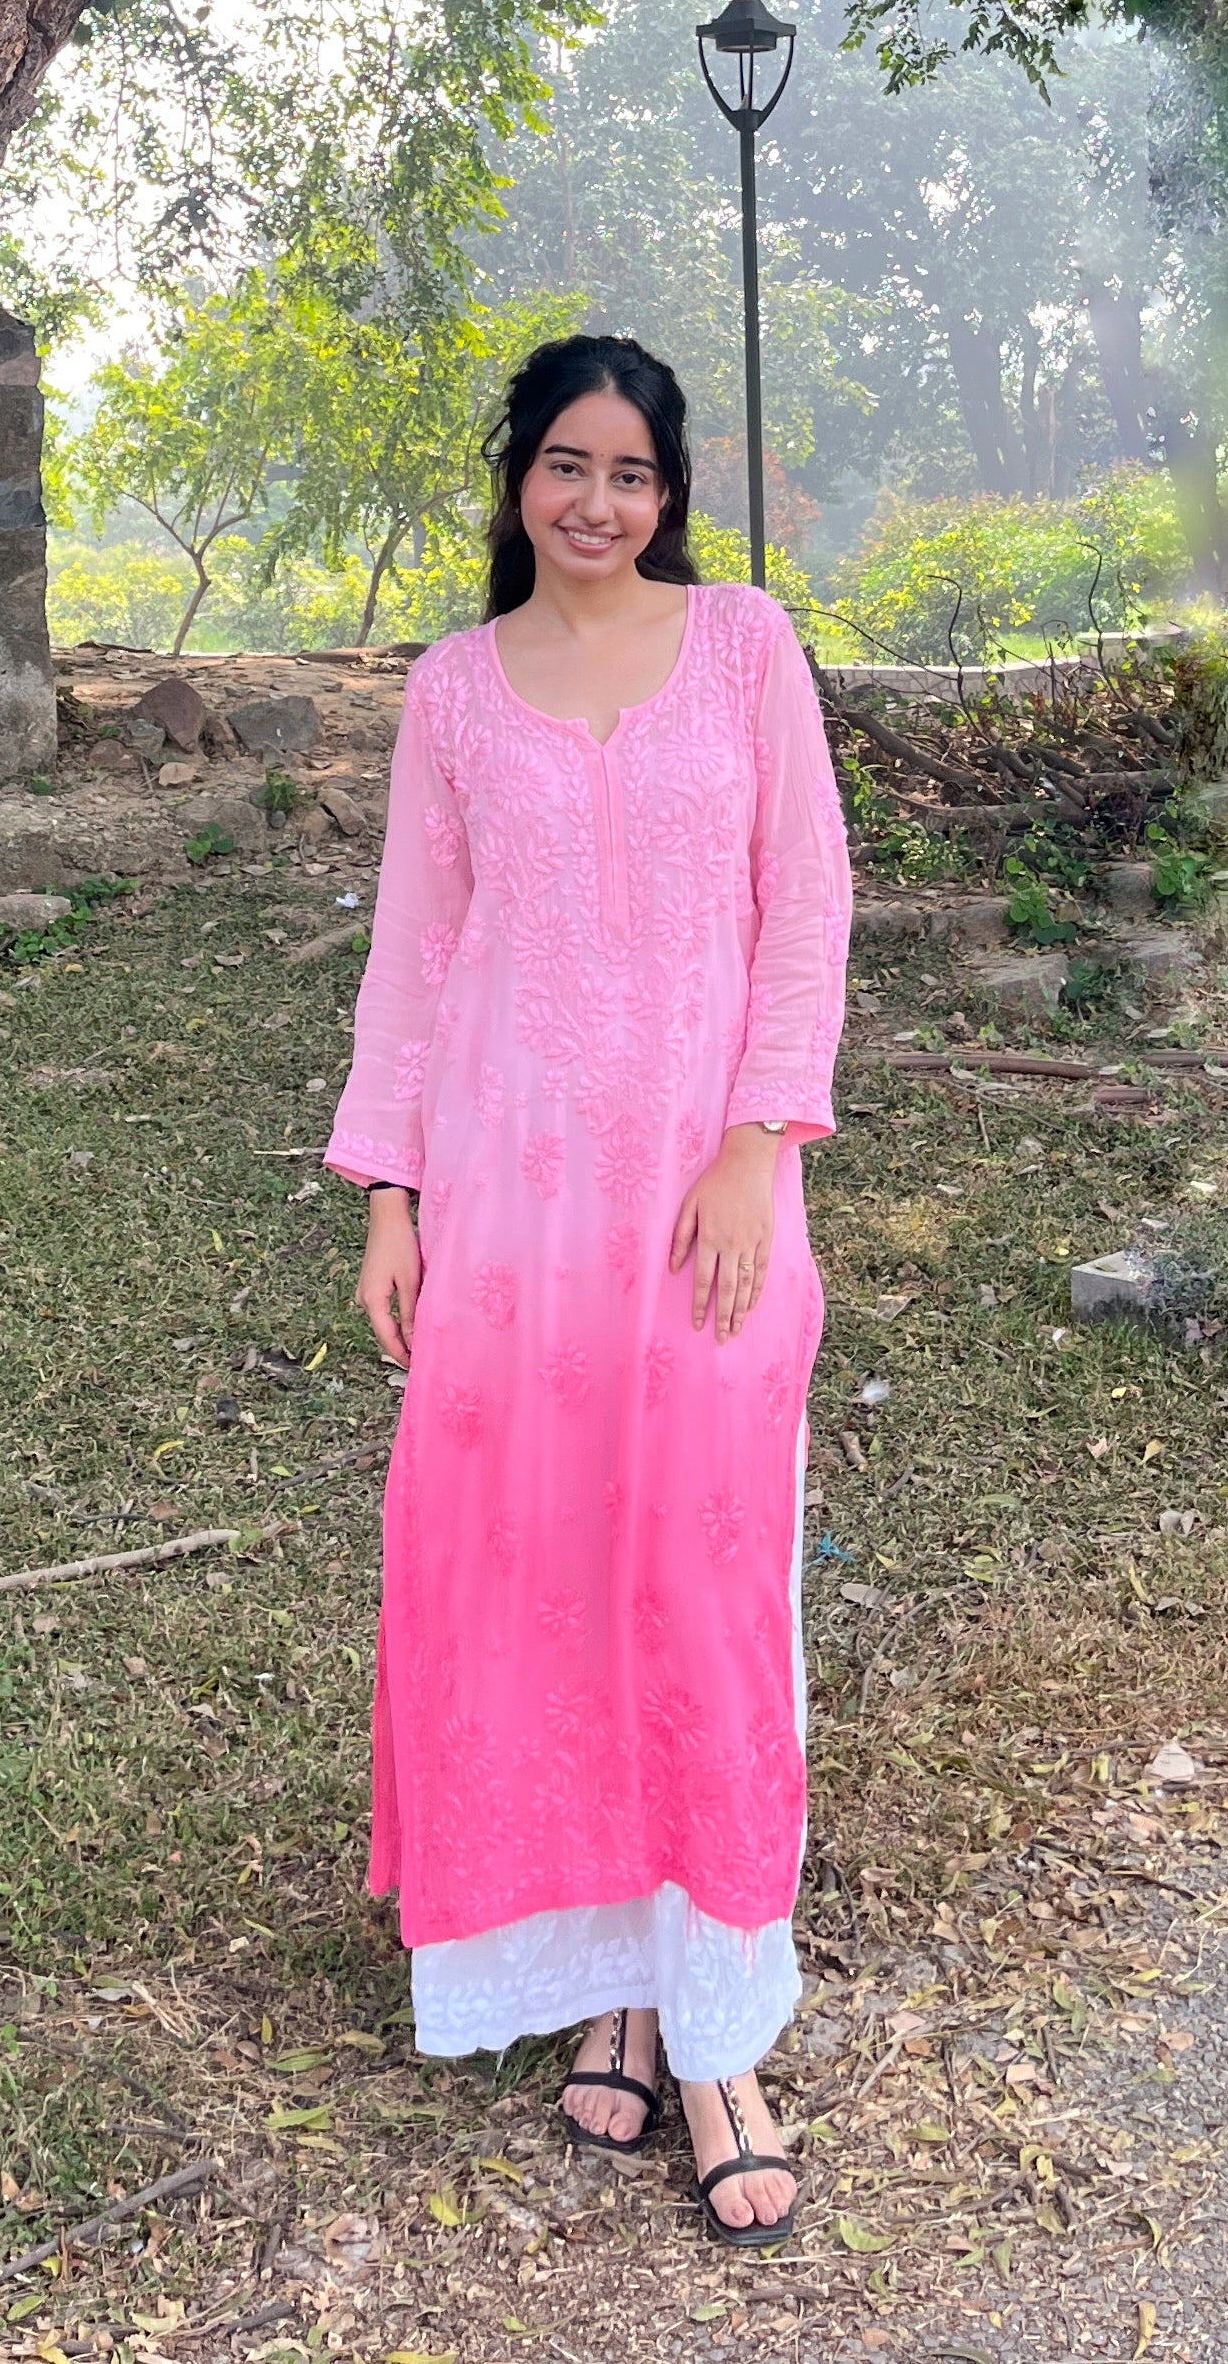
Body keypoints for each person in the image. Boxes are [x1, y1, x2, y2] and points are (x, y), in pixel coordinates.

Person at [325, 333, 850, 2248]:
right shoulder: (453, 690)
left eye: (630, 472)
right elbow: (414, 949)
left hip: (711, 1207)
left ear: (669, 490)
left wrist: (755, 1141)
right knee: (537, 1579)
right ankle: (611, 1984)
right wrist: (390, 1196)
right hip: (509, 1217)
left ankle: (714, 2035)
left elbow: (805, 903)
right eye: (566, 463)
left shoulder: (745, 648)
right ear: (517, 477)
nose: (597, 501)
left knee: (700, 1592)